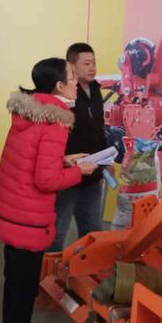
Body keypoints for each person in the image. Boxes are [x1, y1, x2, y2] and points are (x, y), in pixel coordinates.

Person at [0, 58, 97, 323]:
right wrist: (79, 171)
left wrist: (64, 160)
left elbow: (33, 161)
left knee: (14, 288)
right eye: (72, 77)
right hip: (29, 221)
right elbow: (46, 180)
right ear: (59, 86)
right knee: (22, 295)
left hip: (12, 213)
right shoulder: (56, 121)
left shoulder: (32, 112)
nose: (77, 81)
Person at [48, 42, 107, 252]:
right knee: (56, 232)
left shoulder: (96, 90)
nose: (92, 68)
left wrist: (105, 161)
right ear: (72, 67)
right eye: (86, 63)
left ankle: (89, 267)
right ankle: (48, 269)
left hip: (92, 174)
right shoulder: (64, 95)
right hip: (67, 174)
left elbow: (99, 129)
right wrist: (63, 162)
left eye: (94, 63)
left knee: (92, 230)